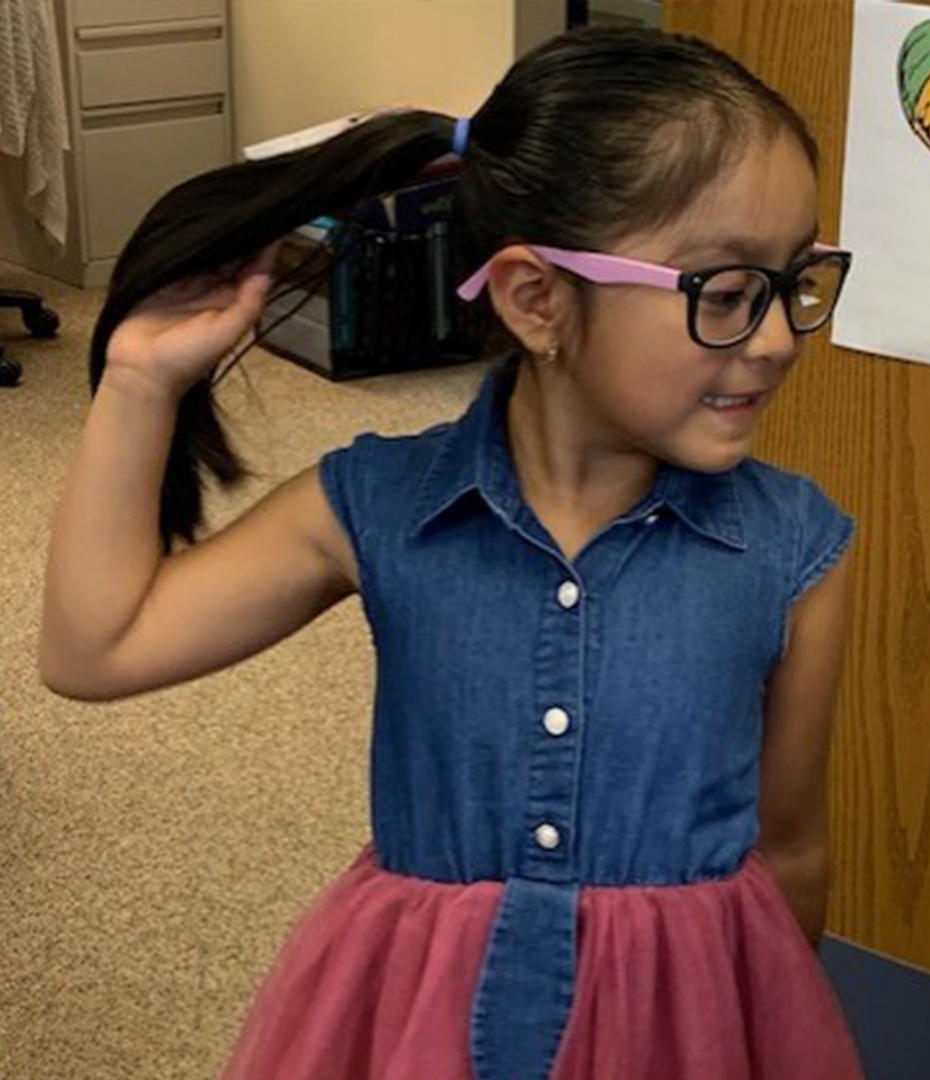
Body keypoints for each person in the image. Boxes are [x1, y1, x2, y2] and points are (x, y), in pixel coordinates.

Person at [38, 26, 864, 1080]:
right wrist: (142, 380)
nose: (778, 339)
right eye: (726, 292)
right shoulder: (377, 505)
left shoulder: (796, 548)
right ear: (535, 299)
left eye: (794, 281)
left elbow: (792, 850)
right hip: (411, 1028)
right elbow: (93, 649)